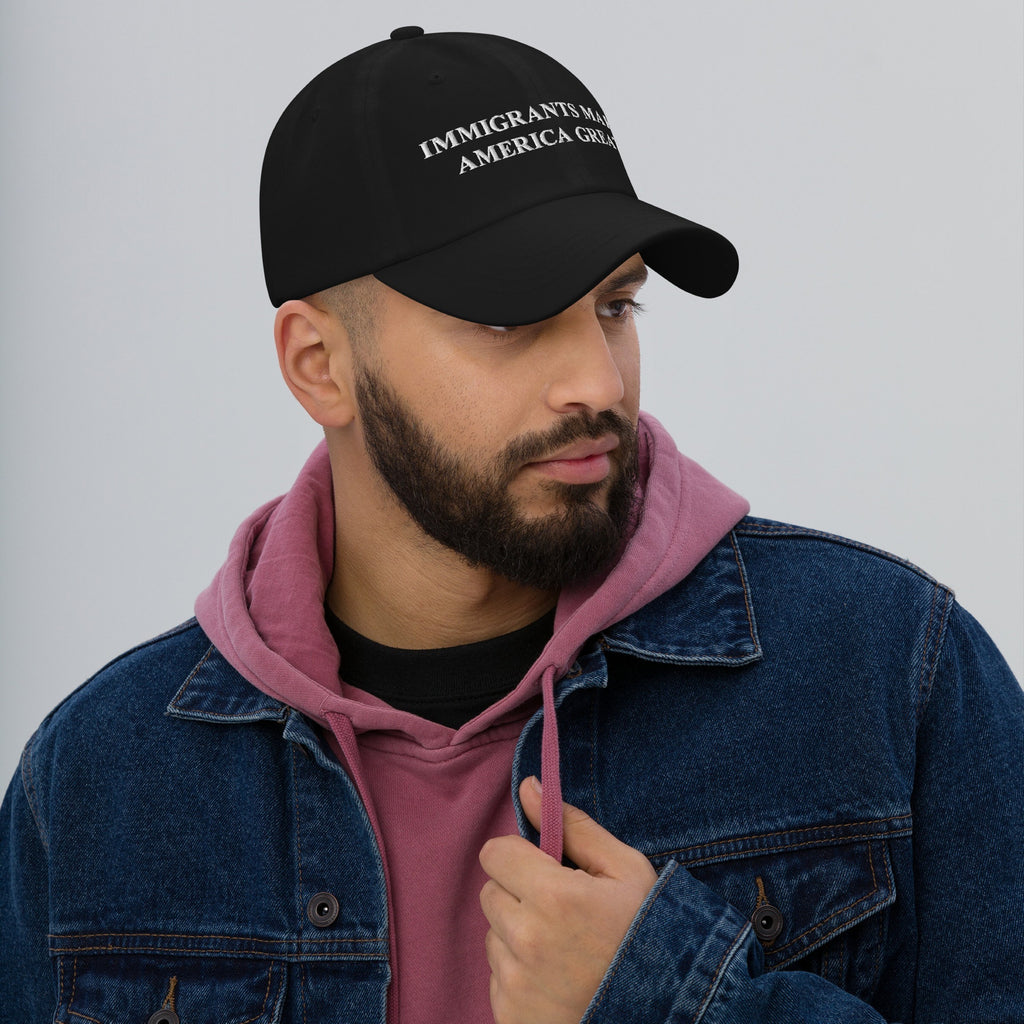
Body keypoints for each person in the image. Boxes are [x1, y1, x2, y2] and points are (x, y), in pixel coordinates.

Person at [1, 25, 1021, 1024]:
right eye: (507, 319)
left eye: (615, 306)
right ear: (320, 364)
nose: (594, 380)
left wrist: (674, 1000)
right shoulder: (97, 782)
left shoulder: (889, 675)